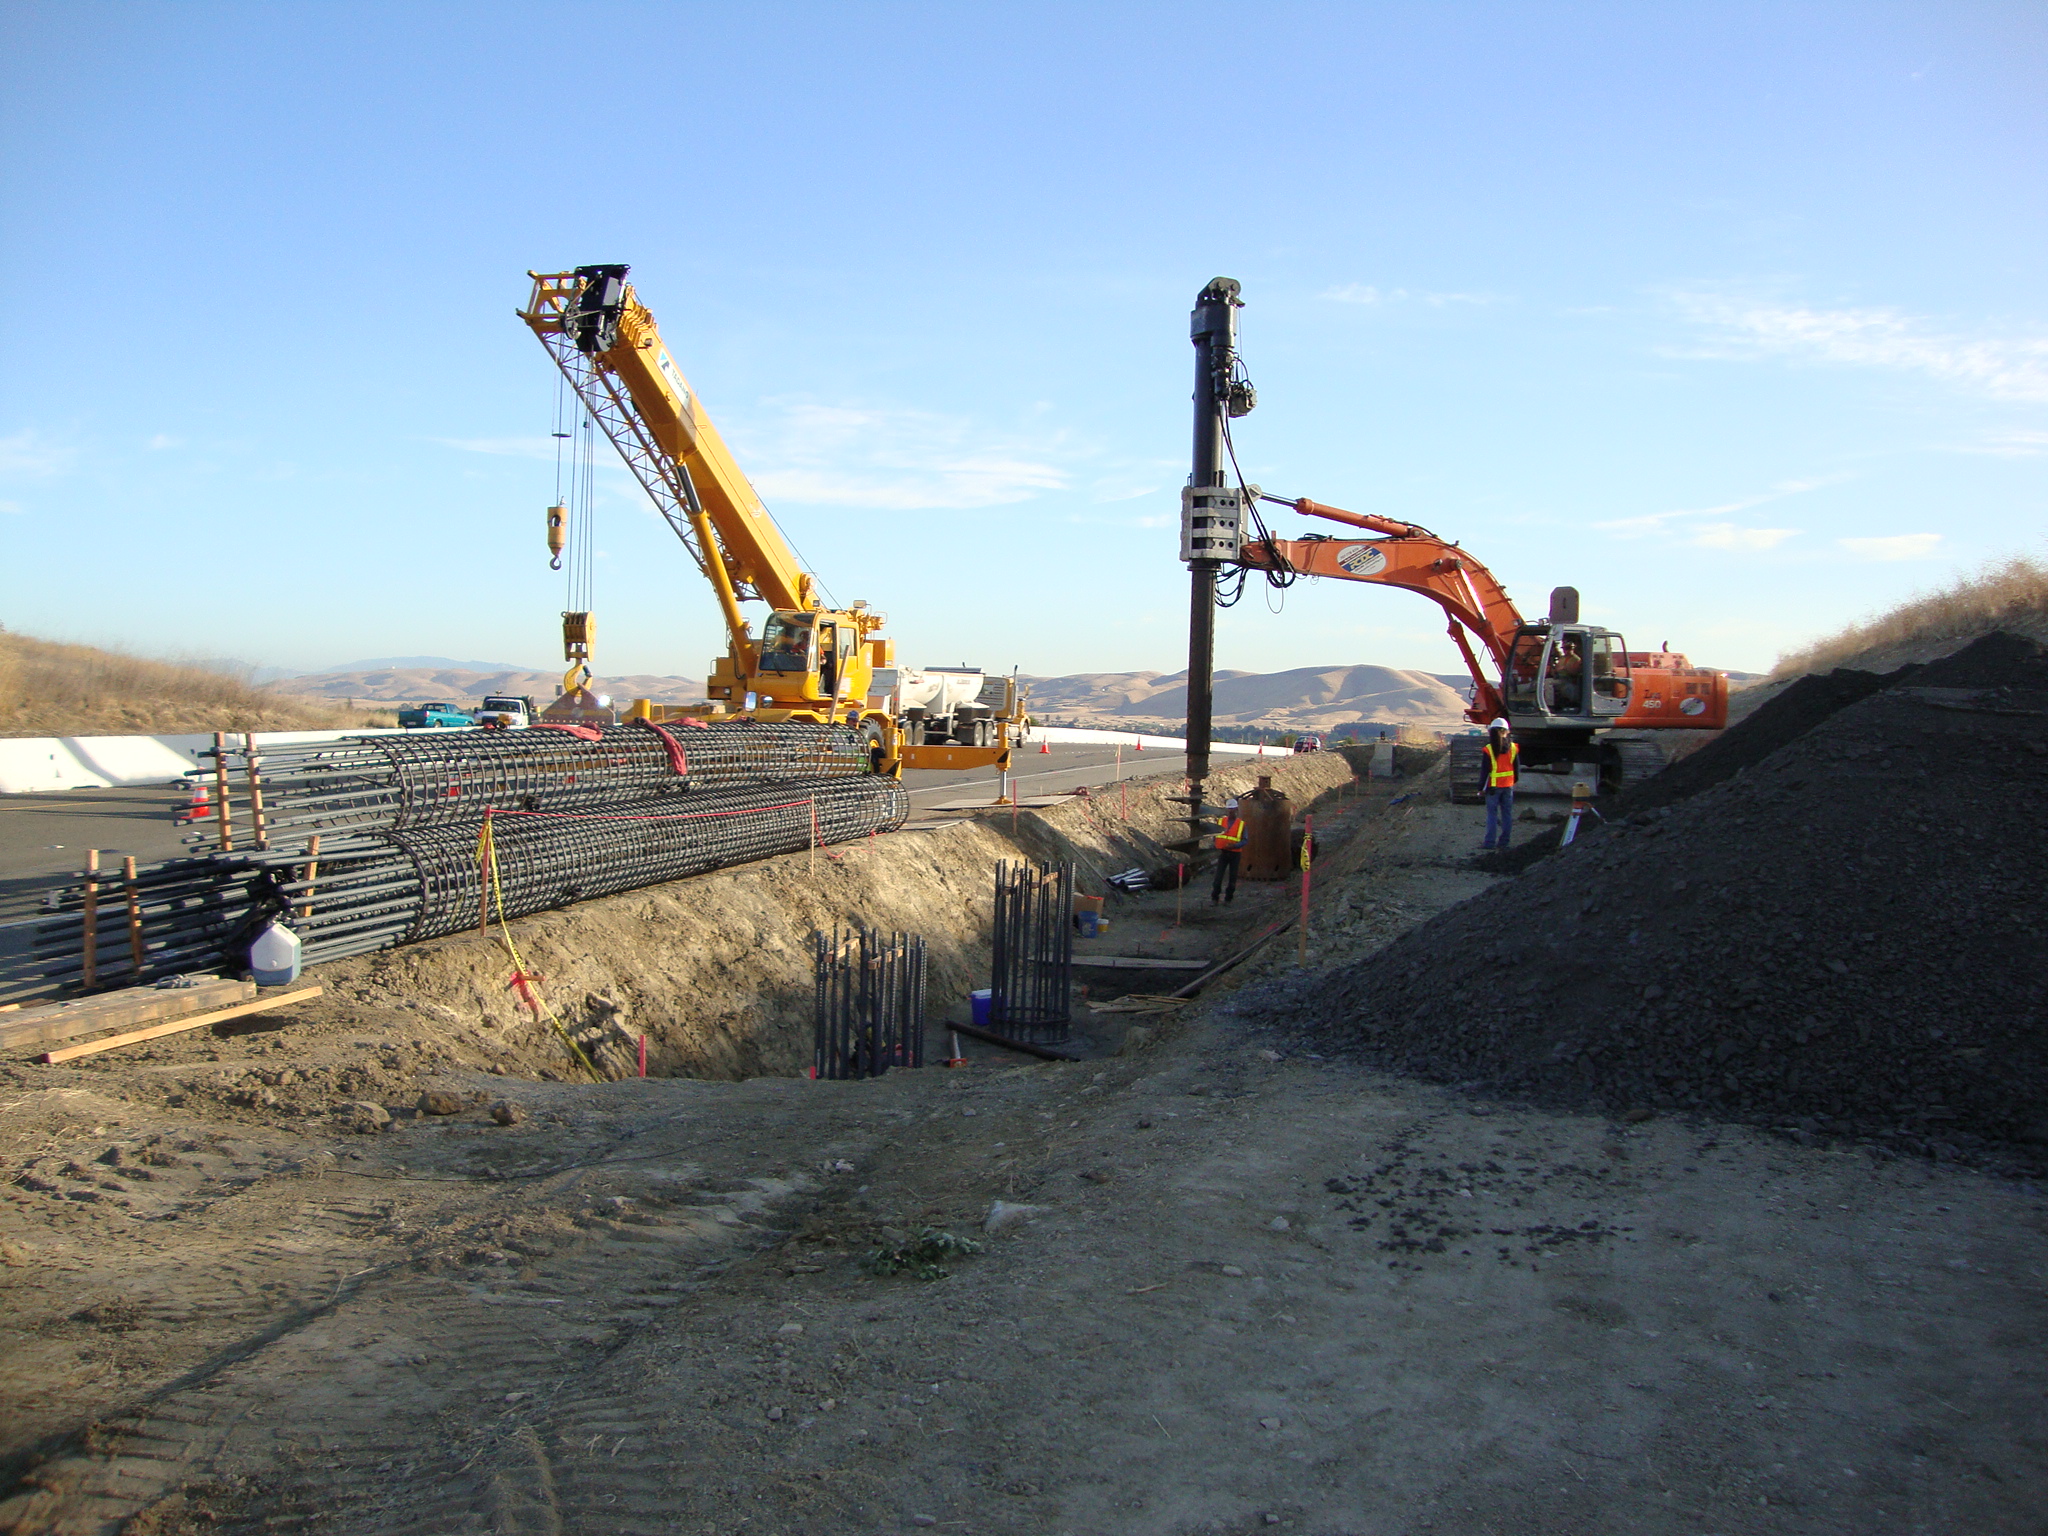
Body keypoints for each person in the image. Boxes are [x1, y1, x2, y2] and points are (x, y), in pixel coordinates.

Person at [1481, 718, 1519, 850]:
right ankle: (1504, 843)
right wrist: (1513, 782)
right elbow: (1516, 769)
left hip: (1493, 787)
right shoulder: (1513, 748)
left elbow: (1484, 771)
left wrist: (1480, 788)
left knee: (1492, 815)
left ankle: (1489, 843)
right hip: (1508, 786)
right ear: (1506, 731)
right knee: (1507, 814)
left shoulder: (1489, 749)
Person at [1211, 798, 1244, 904]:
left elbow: (1245, 840)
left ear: (1236, 809)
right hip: (1223, 853)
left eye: (1232, 809)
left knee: (1232, 878)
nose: (1231, 811)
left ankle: (1228, 899)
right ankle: (1215, 898)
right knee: (1218, 877)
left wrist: (1234, 845)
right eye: (1229, 809)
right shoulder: (1221, 822)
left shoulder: (1241, 824)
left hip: (1235, 853)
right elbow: (1214, 835)